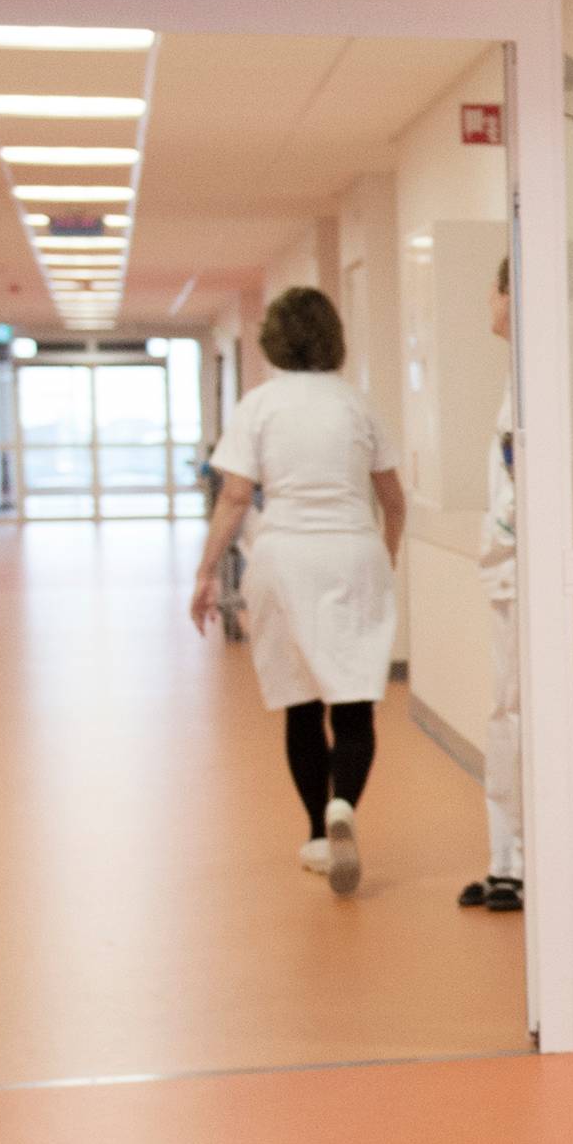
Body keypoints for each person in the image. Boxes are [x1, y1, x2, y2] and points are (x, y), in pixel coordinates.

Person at [191, 287, 407, 896]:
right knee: (355, 695)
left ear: (274, 340)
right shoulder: (357, 405)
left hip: (283, 555)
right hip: (352, 551)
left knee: (301, 701)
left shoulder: (258, 406)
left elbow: (236, 497)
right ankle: (345, 805)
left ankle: (318, 832)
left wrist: (206, 573)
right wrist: (384, 549)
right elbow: (392, 497)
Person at [459, 258, 524, 914]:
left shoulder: (539, 379)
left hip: (523, 574)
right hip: (507, 571)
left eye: (495, 285)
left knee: (520, 714)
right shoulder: (517, 378)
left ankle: (525, 860)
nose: (488, 299)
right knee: (506, 713)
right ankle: (507, 858)